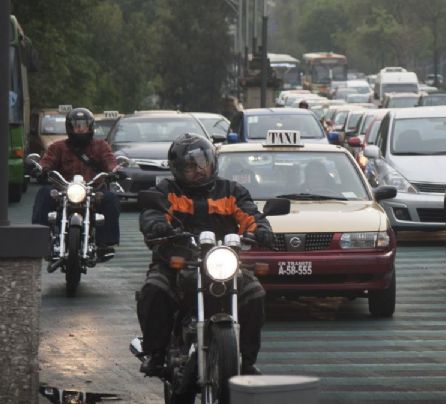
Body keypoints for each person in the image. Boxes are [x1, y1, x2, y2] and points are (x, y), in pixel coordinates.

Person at [136, 133, 274, 377]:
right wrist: (157, 225)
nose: (199, 171)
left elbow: (250, 214)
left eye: (203, 164)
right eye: (191, 167)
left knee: (254, 294)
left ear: (212, 162)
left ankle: (245, 359)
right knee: (155, 289)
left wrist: (261, 230)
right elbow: (152, 213)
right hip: (177, 262)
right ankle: (154, 354)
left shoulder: (231, 191)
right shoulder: (166, 191)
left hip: (222, 262)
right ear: (177, 170)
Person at [31, 107, 122, 259]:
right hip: (63, 190)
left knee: (111, 198)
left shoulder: (101, 146)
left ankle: (105, 244)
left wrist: (115, 171)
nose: (80, 129)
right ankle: (41, 239)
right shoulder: (58, 147)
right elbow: (47, 160)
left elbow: (109, 160)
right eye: (76, 125)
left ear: (90, 126)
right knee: (44, 193)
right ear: (69, 127)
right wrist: (42, 168)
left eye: (83, 125)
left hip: (93, 190)